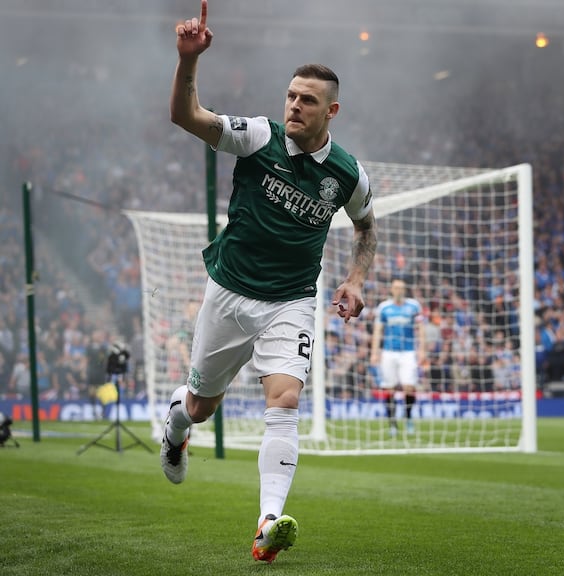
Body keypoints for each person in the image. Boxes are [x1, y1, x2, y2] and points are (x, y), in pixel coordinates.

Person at [161, 1, 377, 564]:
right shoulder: (258, 137)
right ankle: (176, 424)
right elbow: (188, 117)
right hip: (230, 291)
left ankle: (267, 524)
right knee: (203, 406)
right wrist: (188, 61)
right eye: (290, 96)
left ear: (333, 110)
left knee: (285, 399)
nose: (294, 106)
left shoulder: (348, 175)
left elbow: (366, 225)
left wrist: (354, 278)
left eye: (307, 100)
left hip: (292, 300)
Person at [370, 279, 426, 436]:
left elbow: (421, 329)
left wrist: (422, 350)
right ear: (391, 290)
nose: (399, 290)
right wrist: (375, 352)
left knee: (409, 386)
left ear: (404, 290)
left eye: (402, 288)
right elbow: (378, 330)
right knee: (389, 388)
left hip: (408, 352)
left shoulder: (414, 306)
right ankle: (392, 424)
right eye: (396, 288)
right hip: (389, 352)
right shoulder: (384, 308)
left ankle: (408, 419)